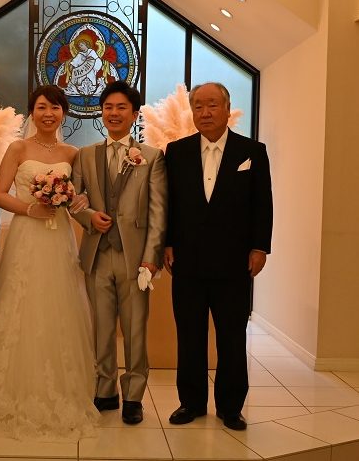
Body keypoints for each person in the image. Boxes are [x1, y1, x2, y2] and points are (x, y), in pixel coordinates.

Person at [0, 85, 99, 441]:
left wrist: (78, 200)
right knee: (22, 300)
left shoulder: (73, 153)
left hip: (59, 236)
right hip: (27, 232)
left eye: (55, 107)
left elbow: (80, 198)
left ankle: (62, 385)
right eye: (41, 107)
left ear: (64, 112)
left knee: (58, 303)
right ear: (32, 112)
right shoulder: (18, 148)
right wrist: (30, 208)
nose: (48, 114)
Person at [164, 82, 273, 431]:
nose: (205, 112)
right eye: (198, 106)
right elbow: (168, 203)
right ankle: (191, 403)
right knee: (190, 335)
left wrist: (260, 247)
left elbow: (263, 203)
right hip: (187, 261)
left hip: (234, 263)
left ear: (227, 108)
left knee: (232, 336)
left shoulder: (252, 151)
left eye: (212, 105)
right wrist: (167, 243)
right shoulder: (176, 151)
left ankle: (230, 407)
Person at [72, 80, 167, 425]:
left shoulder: (151, 157)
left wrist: (151, 258)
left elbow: (158, 212)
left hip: (135, 257)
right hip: (97, 254)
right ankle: (105, 390)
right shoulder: (85, 155)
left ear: (134, 113)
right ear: (102, 112)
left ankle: (134, 396)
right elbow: (73, 199)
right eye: (108, 107)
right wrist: (87, 217)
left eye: (121, 107)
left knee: (135, 328)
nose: (114, 113)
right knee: (101, 328)